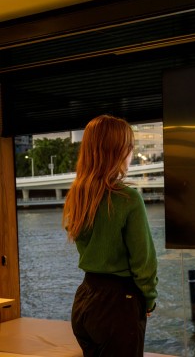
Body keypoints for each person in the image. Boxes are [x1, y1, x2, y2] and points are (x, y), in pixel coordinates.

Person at [63, 114, 158, 356]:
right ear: (116, 152)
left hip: (85, 300)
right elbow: (144, 262)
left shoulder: (78, 196)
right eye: (129, 147)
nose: (131, 154)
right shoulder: (128, 198)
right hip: (118, 306)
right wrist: (148, 300)